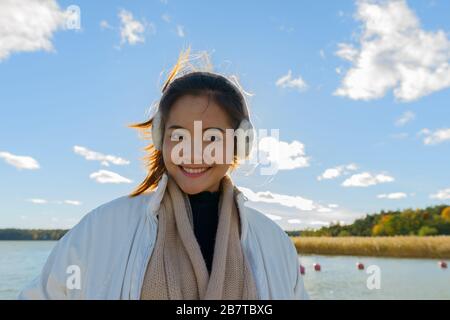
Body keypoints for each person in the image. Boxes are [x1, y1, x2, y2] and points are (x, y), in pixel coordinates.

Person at [18, 49, 308, 300]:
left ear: (240, 143)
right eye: (180, 136)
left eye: (212, 138)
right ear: (160, 138)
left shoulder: (274, 243)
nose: (194, 153)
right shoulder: (102, 229)